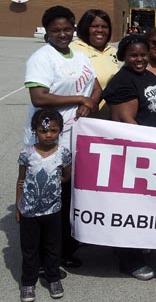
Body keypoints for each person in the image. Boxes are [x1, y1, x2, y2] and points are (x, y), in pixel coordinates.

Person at [23, 5, 102, 270]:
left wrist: (90, 102)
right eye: (56, 30)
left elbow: (96, 85)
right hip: (50, 137)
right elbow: (39, 97)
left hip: (76, 134)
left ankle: (65, 250)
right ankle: (45, 259)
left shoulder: (79, 56)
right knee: (49, 197)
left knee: (68, 194)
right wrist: (80, 98)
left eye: (67, 29)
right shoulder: (41, 57)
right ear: (47, 31)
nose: (62, 34)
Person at [102, 34, 156, 280]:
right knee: (130, 207)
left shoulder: (146, 75)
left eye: (143, 54)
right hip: (137, 156)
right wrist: (145, 156)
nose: (140, 59)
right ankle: (128, 260)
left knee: (146, 205)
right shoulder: (122, 82)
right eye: (134, 55)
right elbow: (126, 122)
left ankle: (139, 244)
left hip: (155, 152)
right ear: (123, 56)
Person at [17, 109, 71, 302]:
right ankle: (28, 283)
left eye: (54, 131)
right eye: (43, 131)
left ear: (60, 131)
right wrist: (18, 207)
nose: (48, 135)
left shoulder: (63, 154)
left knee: (52, 247)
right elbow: (21, 181)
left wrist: (52, 185)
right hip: (29, 212)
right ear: (35, 131)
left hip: (53, 211)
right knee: (30, 249)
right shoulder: (27, 154)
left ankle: (53, 278)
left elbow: (66, 176)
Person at [70, 9, 121, 119]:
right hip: (83, 119)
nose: (100, 30)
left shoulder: (114, 51)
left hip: (111, 119)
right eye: (94, 26)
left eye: (104, 27)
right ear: (85, 28)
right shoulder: (74, 50)